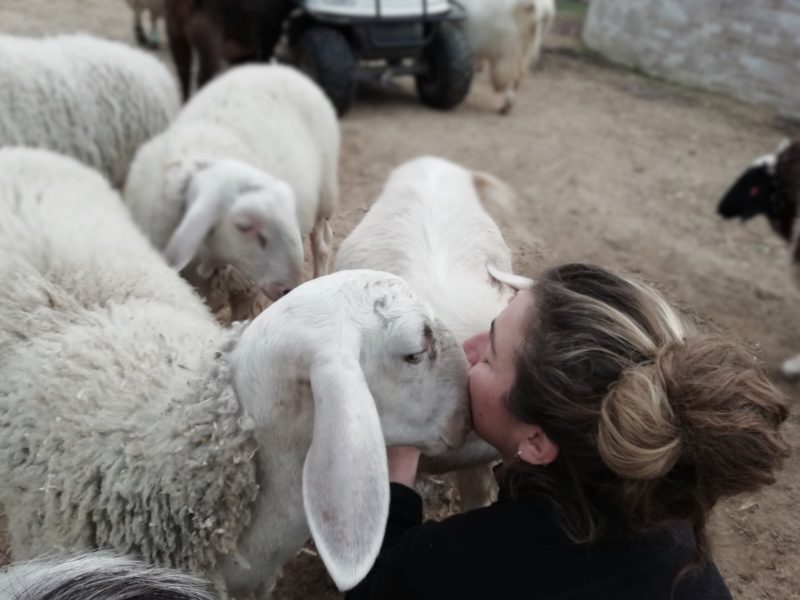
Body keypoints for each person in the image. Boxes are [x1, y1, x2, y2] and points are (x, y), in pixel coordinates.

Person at [347, 263, 790, 600]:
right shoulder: (669, 519)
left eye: (489, 356)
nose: (469, 347)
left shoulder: (470, 561)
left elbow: (373, 586)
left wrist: (398, 468)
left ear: (537, 442)